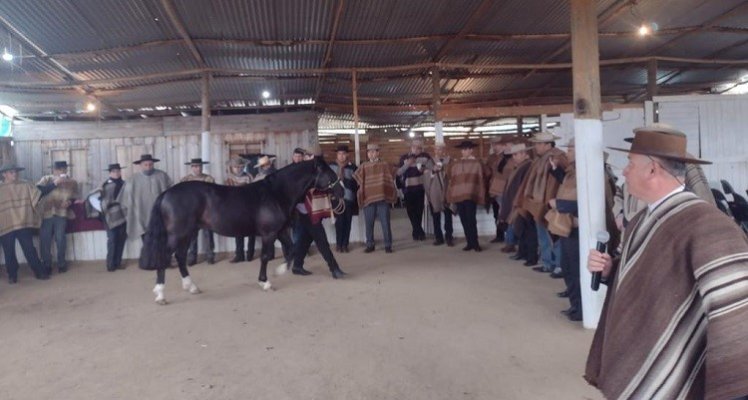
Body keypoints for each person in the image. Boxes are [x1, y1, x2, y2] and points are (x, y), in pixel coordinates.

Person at [585, 124, 748, 399]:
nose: (624, 172)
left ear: (652, 170)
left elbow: (733, 310)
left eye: (630, 163)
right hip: (645, 346)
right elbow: (645, 279)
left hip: (684, 364)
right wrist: (611, 270)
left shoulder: (709, 225)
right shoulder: (639, 220)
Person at [517, 131, 568, 272]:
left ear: (548, 144)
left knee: (554, 234)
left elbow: (565, 179)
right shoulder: (539, 159)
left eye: (538, 144)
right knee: (543, 234)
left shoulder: (559, 157)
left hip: (552, 202)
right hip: (539, 203)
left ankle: (559, 265)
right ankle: (547, 263)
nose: (536, 147)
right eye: (535, 144)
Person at [0, 163, 56, 283]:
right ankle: (12, 275)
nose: (14, 174)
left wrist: (54, 184)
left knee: (29, 249)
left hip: (22, 223)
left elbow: (39, 192)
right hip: (5, 225)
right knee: (9, 251)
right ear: (4, 174)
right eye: (11, 172)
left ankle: (39, 272)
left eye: (15, 172)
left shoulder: (25, 185)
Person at [353, 143, 397, 253]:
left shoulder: (384, 165)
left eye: (373, 151)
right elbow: (357, 178)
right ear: (367, 154)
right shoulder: (364, 166)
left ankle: (388, 245)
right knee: (369, 223)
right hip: (368, 199)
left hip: (383, 199)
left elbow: (393, 175)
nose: (371, 154)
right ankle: (370, 244)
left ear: (378, 152)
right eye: (369, 152)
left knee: (385, 223)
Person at [37, 160, 79, 274]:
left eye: (64, 168)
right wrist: (55, 183)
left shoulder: (72, 182)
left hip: (61, 213)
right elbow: (39, 191)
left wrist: (69, 202)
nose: (62, 171)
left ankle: (61, 263)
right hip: (46, 213)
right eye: (59, 169)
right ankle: (47, 264)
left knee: (61, 239)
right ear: (54, 170)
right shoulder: (46, 179)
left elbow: (74, 197)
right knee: (45, 240)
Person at [446, 140, 487, 252]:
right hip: (459, 195)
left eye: (466, 149)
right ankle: (469, 242)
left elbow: (483, 175)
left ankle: (475, 243)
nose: (464, 151)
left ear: (471, 150)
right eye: (463, 150)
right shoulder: (456, 163)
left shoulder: (476, 163)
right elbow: (451, 176)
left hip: (470, 194)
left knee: (471, 219)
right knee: (463, 219)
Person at [122, 154, 172, 243]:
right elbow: (126, 200)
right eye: (146, 165)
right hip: (142, 215)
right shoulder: (132, 180)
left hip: (159, 214)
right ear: (140, 165)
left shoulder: (162, 175)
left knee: (161, 241)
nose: (148, 167)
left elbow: (171, 192)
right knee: (147, 243)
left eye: (150, 164)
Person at [499, 144, 533, 260]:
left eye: (516, 154)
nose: (514, 157)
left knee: (525, 229)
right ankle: (522, 252)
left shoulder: (527, 166)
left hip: (521, 202)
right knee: (519, 228)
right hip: (516, 201)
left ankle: (528, 254)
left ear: (524, 154)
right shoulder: (519, 166)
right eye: (513, 155)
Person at [180, 158, 215, 265]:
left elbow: (213, 195)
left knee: (208, 234)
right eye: (194, 166)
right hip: (191, 211)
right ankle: (192, 256)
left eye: (199, 166)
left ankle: (210, 255)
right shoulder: (185, 180)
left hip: (206, 211)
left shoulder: (208, 179)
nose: (197, 168)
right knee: (191, 235)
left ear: (202, 167)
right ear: (191, 168)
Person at [396, 138, 431, 241]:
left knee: (419, 211)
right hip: (408, 189)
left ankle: (416, 232)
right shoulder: (404, 157)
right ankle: (419, 231)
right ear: (411, 147)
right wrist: (408, 164)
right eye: (415, 147)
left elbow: (431, 168)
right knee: (411, 211)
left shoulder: (425, 156)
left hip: (420, 187)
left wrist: (424, 169)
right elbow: (398, 172)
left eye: (419, 148)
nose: (417, 150)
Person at [224, 157, 255, 263]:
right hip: (235, 208)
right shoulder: (229, 179)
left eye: (240, 167)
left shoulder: (249, 177)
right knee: (238, 231)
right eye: (236, 167)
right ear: (232, 168)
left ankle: (250, 253)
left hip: (249, 207)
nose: (238, 169)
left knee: (252, 231)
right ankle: (239, 254)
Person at [423, 143, 453, 246]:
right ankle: (438, 237)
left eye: (441, 149)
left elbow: (453, 173)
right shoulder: (430, 161)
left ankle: (449, 237)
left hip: (446, 190)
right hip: (434, 191)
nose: (439, 151)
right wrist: (433, 171)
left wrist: (446, 171)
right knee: (436, 215)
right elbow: (426, 176)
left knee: (448, 215)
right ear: (434, 150)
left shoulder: (449, 161)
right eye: (437, 149)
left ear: (444, 150)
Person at [329, 145, 358, 253]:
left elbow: (356, 183)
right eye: (339, 154)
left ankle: (345, 244)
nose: (342, 156)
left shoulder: (353, 167)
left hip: (349, 198)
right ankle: (338, 244)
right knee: (339, 222)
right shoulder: (331, 166)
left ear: (347, 155)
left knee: (348, 222)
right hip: (336, 198)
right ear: (337, 155)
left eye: (344, 154)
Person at [486, 136, 514, 243]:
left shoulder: (508, 157)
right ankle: (500, 235)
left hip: (505, 189)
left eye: (497, 144)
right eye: (493, 144)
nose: (495, 146)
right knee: (496, 213)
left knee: (506, 213)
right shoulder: (492, 157)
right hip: (494, 188)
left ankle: (510, 239)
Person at [100, 163, 127, 272]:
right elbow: (100, 200)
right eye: (114, 171)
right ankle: (110, 264)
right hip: (109, 215)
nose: (116, 173)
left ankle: (118, 262)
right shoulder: (105, 185)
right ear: (110, 173)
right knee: (112, 239)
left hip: (122, 214)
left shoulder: (125, 184)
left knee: (121, 238)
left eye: (118, 171)